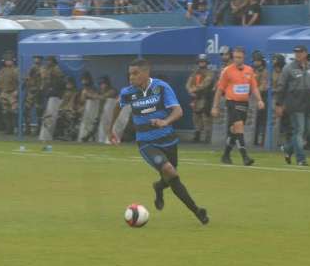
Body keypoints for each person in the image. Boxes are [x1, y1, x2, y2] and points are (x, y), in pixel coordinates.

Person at [109, 58, 208, 225]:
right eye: (129, 74)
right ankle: (198, 211)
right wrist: (110, 129)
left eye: (135, 73)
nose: (131, 77)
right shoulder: (128, 92)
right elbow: (118, 106)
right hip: (147, 143)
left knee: (171, 178)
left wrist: (165, 122)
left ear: (146, 73)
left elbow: (178, 111)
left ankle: (159, 187)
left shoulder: (161, 87)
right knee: (170, 171)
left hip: (168, 140)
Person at [212, 47, 263, 166]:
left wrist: (259, 100)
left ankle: (225, 155)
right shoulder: (227, 70)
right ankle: (245, 157)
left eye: (239, 57)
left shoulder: (249, 70)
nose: (237, 59)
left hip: (244, 103)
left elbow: (254, 87)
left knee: (234, 131)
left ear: (244, 57)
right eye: (235, 57)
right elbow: (219, 90)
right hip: (232, 103)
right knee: (239, 127)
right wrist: (215, 106)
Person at [275, 45, 310, 166]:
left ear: (305, 53)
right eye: (296, 52)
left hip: (309, 104)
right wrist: (279, 104)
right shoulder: (288, 68)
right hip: (295, 105)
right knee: (299, 131)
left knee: (308, 131)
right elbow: (281, 87)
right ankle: (301, 159)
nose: (298, 54)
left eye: (300, 52)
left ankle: (288, 149)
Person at [185, 54, 215, 143]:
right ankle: (197, 135)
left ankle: (207, 137)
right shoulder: (195, 72)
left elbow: (206, 83)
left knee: (206, 117)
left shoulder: (210, 72)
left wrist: (195, 89)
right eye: (200, 62)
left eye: (203, 61)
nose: (201, 63)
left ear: (206, 62)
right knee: (196, 117)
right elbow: (188, 83)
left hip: (205, 97)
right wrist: (190, 90)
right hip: (196, 98)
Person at [0, 56, 19, 134]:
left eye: (9, 60)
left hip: (12, 93)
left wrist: (17, 91)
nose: (7, 62)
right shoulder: (2, 70)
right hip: (4, 93)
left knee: (14, 111)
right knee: (5, 112)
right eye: (6, 60)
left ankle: (16, 129)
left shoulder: (16, 70)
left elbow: (21, 82)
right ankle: (8, 129)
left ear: (13, 61)